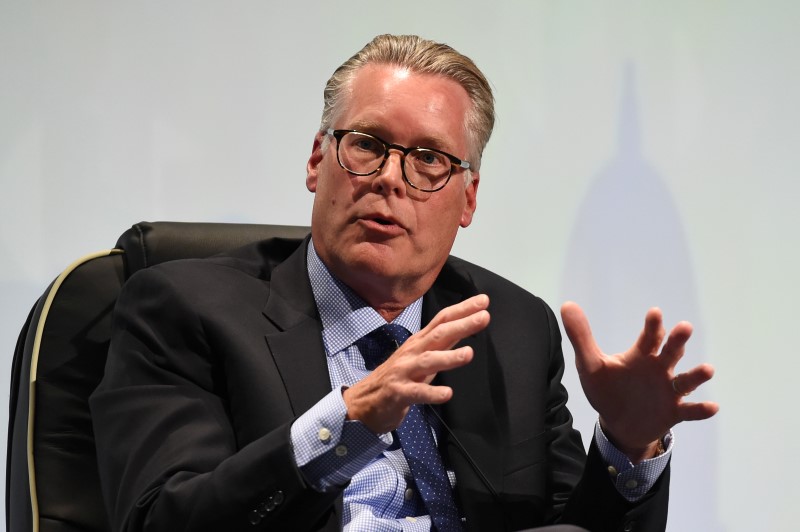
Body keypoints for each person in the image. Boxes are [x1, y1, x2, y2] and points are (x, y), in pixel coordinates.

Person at [90, 34, 718, 531]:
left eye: (428, 161)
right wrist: (349, 418)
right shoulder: (183, 308)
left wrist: (629, 448)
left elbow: (572, 528)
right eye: (366, 144)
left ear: (468, 198)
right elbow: (158, 519)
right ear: (317, 162)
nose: (390, 179)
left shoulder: (513, 333)